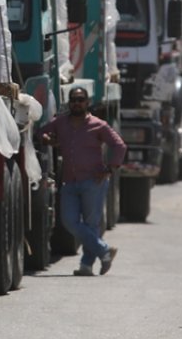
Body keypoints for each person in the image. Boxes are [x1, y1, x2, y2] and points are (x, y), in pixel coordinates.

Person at [40, 86, 127, 276]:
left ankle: (86, 266)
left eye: (80, 100)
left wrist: (110, 169)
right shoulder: (61, 123)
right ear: (69, 103)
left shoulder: (99, 125)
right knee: (69, 221)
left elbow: (119, 145)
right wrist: (47, 139)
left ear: (87, 103)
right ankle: (104, 250)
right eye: (73, 100)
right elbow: (41, 132)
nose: (77, 103)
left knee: (91, 224)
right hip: (70, 182)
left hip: (93, 181)